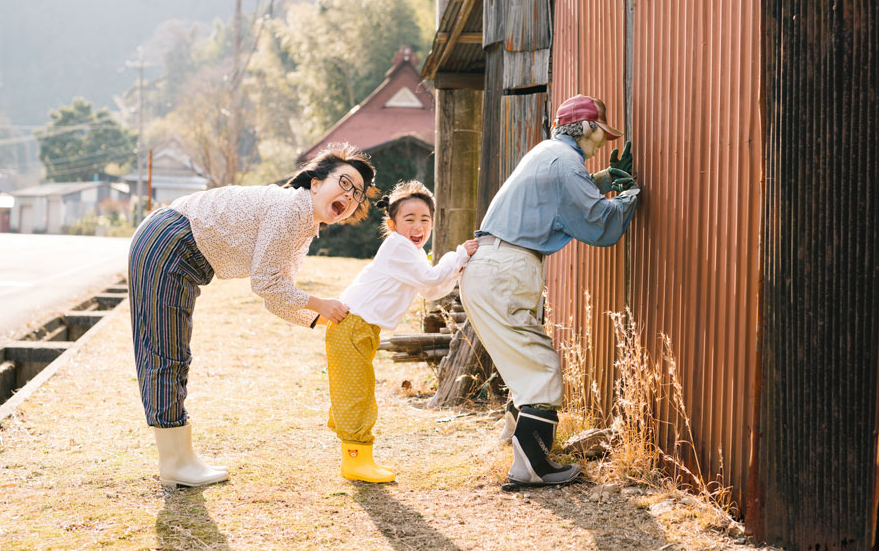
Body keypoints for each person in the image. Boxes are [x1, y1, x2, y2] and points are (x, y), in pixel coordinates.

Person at [128, 142, 376, 488]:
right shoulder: (292, 209)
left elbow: (276, 296)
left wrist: (321, 320)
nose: (350, 196)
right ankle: (175, 462)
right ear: (316, 182)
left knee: (169, 353)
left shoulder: (303, 225)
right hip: (170, 243)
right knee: (165, 353)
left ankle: (179, 459)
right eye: (345, 183)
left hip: (175, 248)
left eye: (358, 195)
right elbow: (266, 283)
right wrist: (320, 305)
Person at [460, 94, 640, 487]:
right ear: (587, 127)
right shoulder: (566, 161)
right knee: (541, 367)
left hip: (491, 266)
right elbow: (596, 220)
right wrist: (627, 199)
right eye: (600, 135)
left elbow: (563, 202)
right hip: (506, 269)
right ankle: (532, 467)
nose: (601, 145)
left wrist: (606, 180)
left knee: (520, 362)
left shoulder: (548, 153)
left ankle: (514, 440)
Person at [323, 181, 478, 482]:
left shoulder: (412, 252)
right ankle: (355, 462)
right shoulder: (398, 247)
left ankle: (357, 459)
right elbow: (432, 278)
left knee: (360, 391)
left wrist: (459, 264)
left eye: (425, 219)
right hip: (352, 326)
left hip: (361, 328)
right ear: (392, 224)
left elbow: (431, 289)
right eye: (409, 219)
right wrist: (459, 254)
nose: (418, 226)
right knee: (357, 393)